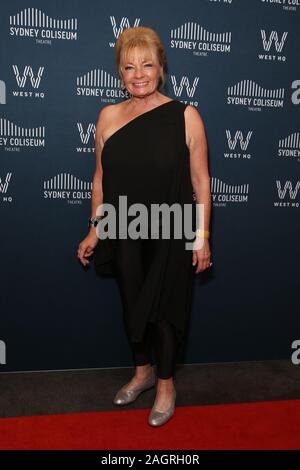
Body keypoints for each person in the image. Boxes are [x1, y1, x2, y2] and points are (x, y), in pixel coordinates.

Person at [77, 26, 212, 427]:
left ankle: (166, 385)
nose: (139, 74)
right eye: (129, 66)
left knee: (165, 312)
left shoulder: (185, 115)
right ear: (119, 72)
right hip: (123, 227)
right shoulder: (107, 116)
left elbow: (202, 182)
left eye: (147, 65)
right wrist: (94, 229)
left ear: (161, 68)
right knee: (132, 305)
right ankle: (142, 373)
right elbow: (100, 178)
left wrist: (201, 236)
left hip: (172, 228)